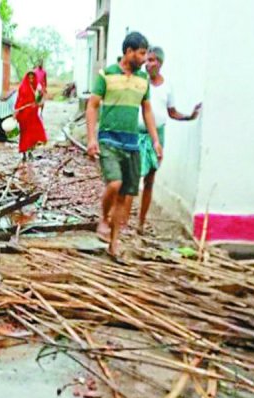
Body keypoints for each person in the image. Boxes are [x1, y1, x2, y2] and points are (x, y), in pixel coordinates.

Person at [86, 31, 162, 257]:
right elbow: (92, 106)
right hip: (109, 139)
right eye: (141, 53)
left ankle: (114, 243)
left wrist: (155, 140)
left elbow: (147, 110)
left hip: (132, 144)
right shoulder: (106, 75)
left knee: (126, 195)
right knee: (114, 184)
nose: (144, 58)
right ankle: (103, 219)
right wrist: (91, 138)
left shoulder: (142, 80)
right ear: (128, 52)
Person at [136, 46, 202, 234]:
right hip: (137, 134)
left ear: (161, 63)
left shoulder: (167, 87)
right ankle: (122, 219)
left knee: (150, 179)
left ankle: (140, 222)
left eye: (153, 60)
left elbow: (171, 112)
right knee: (131, 177)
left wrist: (189, 116)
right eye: (147, 60)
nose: (148, 64)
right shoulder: (140, 83)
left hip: (157, 135)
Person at [14, 71, 47, 160]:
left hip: (33, 114)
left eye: (33, 78)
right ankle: (24, 153)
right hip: (24, 114)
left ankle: (30, 152)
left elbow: (39, 100)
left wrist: (37, 102)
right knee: (24, 134)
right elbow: (19, 100)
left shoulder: (37, 88)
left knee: (32, 134)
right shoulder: (22, 87)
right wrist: (16, 112)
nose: (31, 80)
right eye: (29, 78)